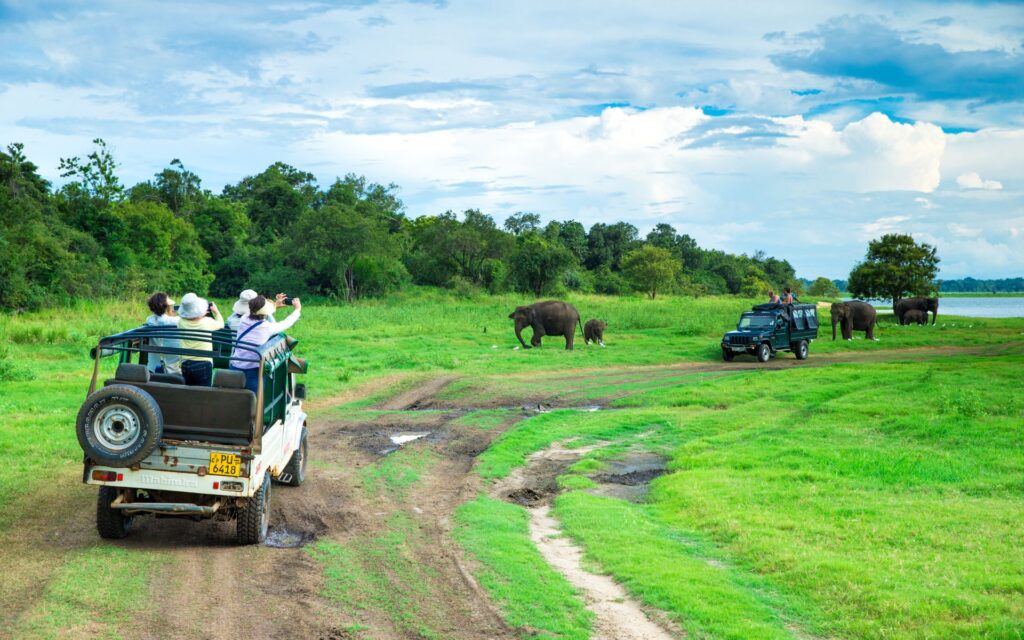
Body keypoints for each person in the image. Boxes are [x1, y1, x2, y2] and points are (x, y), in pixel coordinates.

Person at [229, 295, 301, 395]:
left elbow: (257, 311)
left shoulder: (244, 319)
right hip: (253, 370)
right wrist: (297, 309)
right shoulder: (266, 327)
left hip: (235, 366)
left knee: (232, 398)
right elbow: (286, 323)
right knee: (253, 402)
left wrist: (275, 305)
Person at [176, 292, 224, 386]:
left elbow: (184, 317)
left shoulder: (180, 322)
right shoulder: (207, 322)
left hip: (186, 363)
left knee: (189, 391)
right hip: (203, 363)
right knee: (204, 394)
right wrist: (216, 312)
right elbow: (221, 324)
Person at [144, 292, 181, 374]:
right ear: (166, 307)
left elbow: (160, 319)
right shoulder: (176, 321)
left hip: (152, 368)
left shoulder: (149, 320)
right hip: (172, 370)